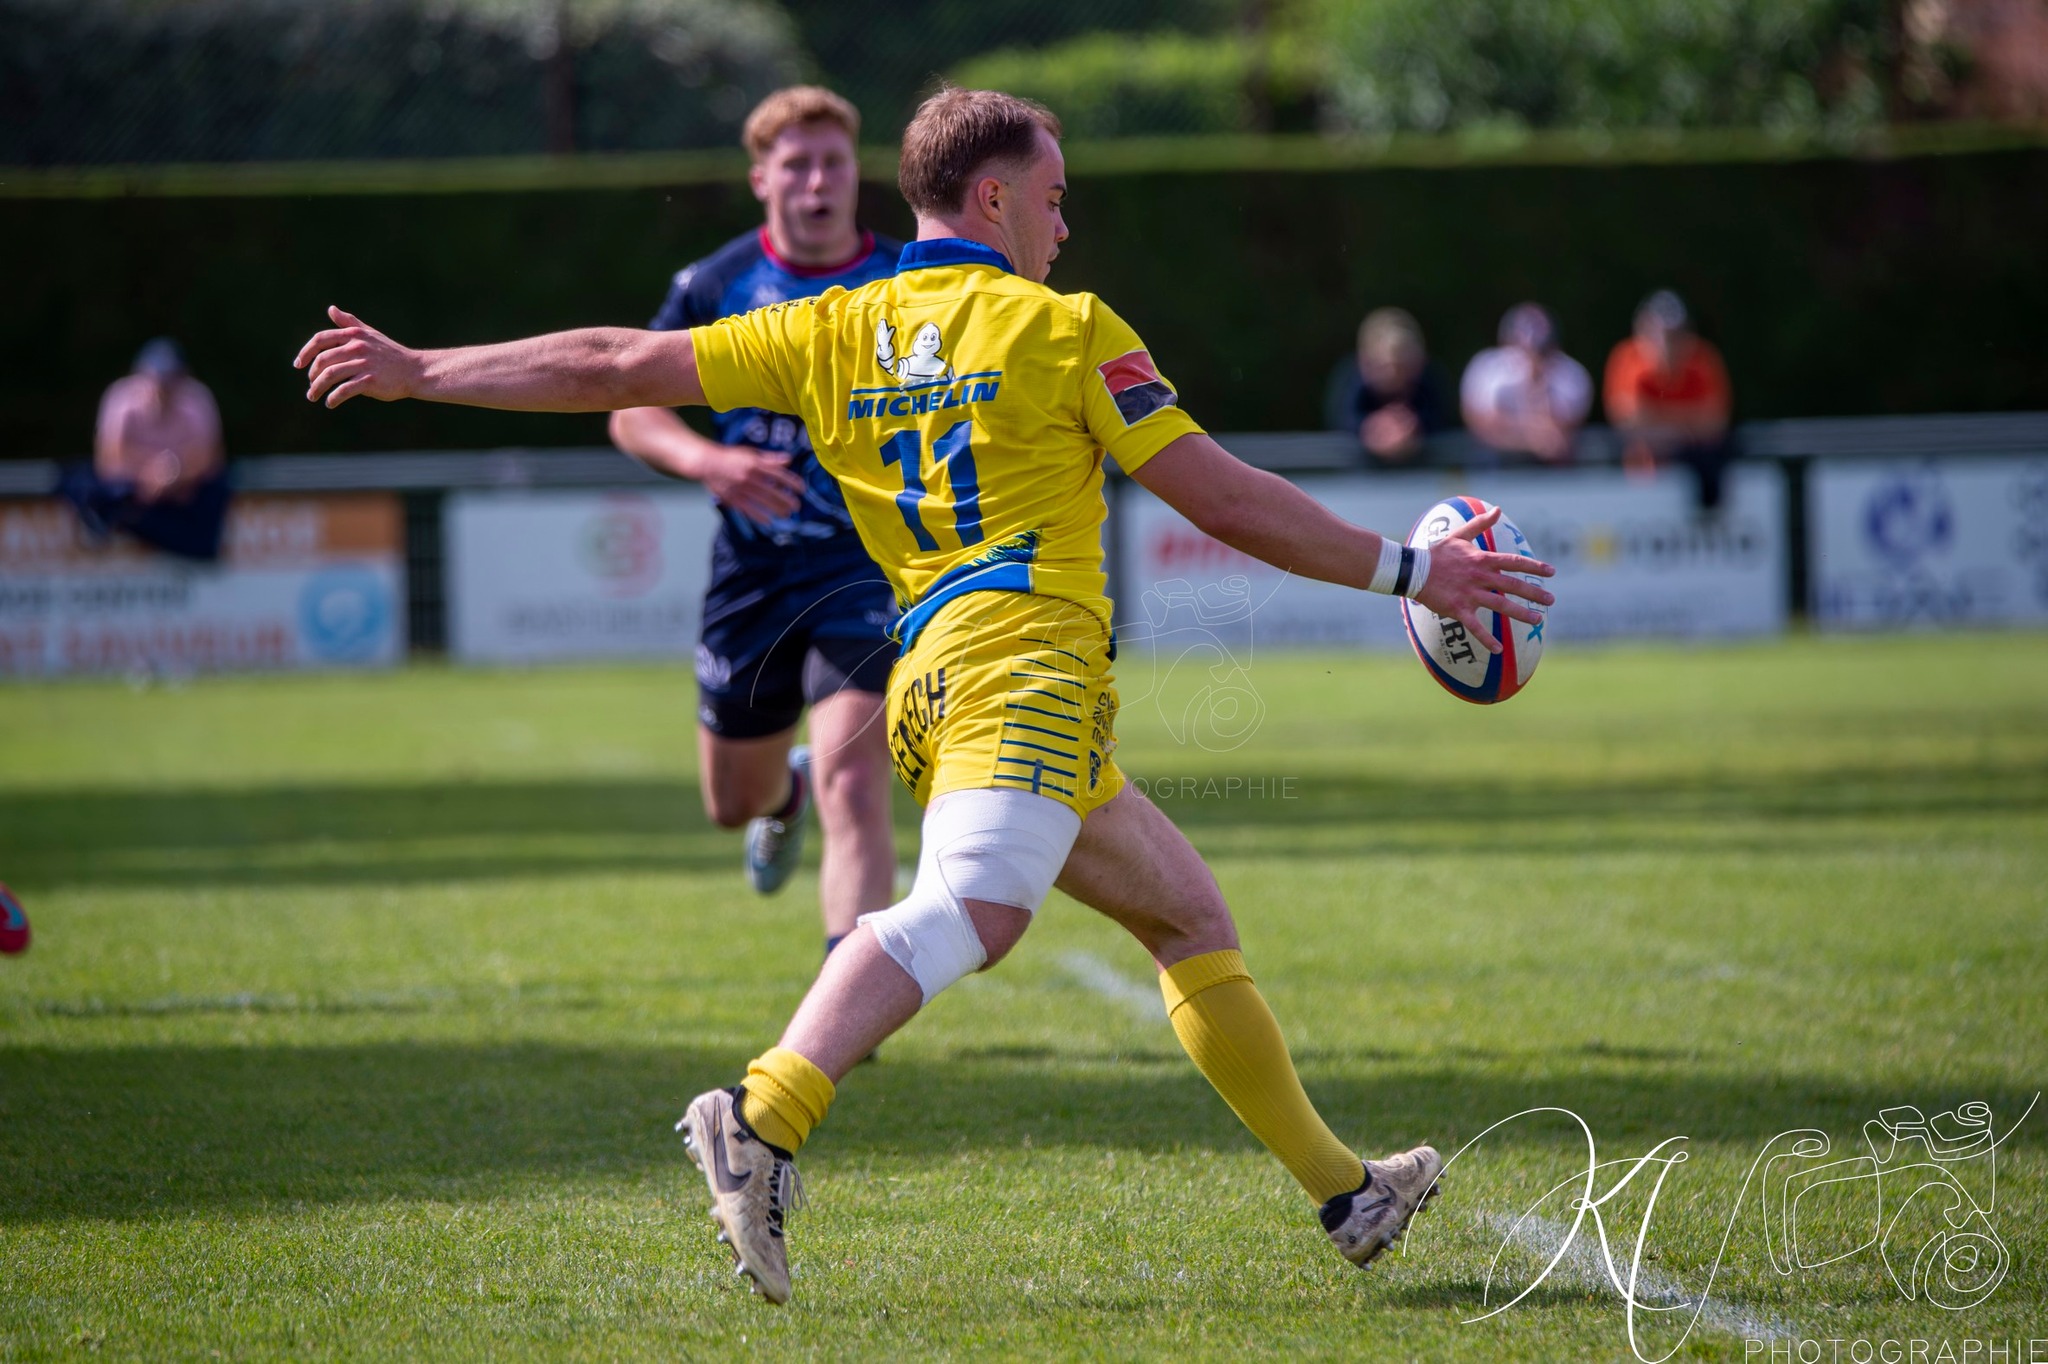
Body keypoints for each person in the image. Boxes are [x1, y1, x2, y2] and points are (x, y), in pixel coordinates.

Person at [294, 86, 1555, 1307]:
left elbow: (611, 362)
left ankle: (1346, 1192)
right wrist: (1413, 568)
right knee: (973, 914)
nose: (1066, 228)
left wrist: (422, 369)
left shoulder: (831, 324)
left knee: (1187, 919)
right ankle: (760, 1113)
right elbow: (1219, 495)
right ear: (993, 196)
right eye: (1055, 200)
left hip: (931, 675)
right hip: (1024, 666)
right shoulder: (1067, 330)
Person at [608, 86, 903, 950]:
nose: (818, 182)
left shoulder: (905, 281)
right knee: (730, 801)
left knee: (857, 781)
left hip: (867, 564)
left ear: (856, 174)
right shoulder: (716, 283)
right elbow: (630, 406)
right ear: (761, 180)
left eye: (834, 163)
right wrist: (710, 460)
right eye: (798, 165)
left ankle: (844, 1007)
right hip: (753, 569)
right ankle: (783, 797)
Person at [63, 339, 231, 561]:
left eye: (169, 379)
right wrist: (150, 476)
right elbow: (109, 457)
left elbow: (210, 458)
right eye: (155, 377)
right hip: (134, 488)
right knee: (79, 482)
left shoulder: (197, 399)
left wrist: (173, 476)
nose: (160, 386)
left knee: (217, 489)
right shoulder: (122, 398)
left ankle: (193, 549)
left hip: (185, 491)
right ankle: (116, 531)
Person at [1604, 290, 1734, 511]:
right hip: (1642, 479)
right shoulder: (1627, 359)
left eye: (1674, 335)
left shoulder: (1703, 359)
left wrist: (1657, 420)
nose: (1666, 344)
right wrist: (1687, 425)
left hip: (1692, 476)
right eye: (1658, 335)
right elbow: (1627, 421)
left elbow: (1715, 422)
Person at [1460, 303, 1592, 464]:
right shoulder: (1487, 368)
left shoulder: (1571, 375)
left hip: (1550, 468)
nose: (1530, 358)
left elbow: (1561, 435)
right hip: (1494, 464)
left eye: (1541, 350)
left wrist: (1536, 387)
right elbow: (1483, 426)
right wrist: (1529, 439)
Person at [1326, 307, 1449, 464]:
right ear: (1365, 363)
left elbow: (1439, 419)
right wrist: (1372, 430)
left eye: (1401, 367)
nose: (1392, 374)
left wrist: (1414, 428)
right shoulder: (1348, 382)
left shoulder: (1431, 381)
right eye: (1385, 367)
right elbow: (1342, 421)